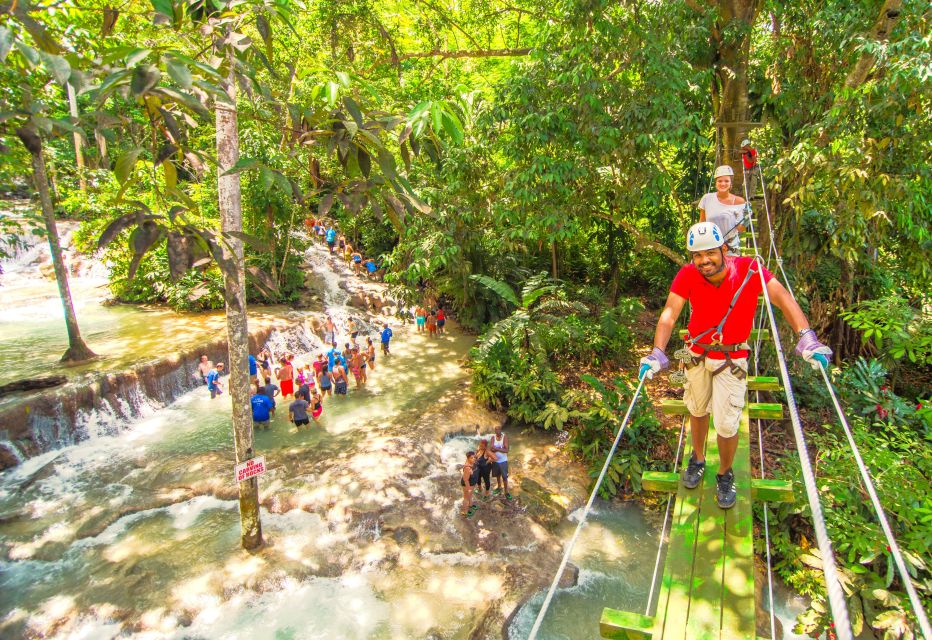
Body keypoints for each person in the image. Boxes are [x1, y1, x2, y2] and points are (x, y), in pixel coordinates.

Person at [639, 221, 832, 510]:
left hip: (731, 358)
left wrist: (807, 337)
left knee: (727, 424)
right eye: (697, 255)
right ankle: (698, 458)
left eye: (710, 253)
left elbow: (782, 298)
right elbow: (670, 313)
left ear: (724, 249)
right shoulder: (688, 275)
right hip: (697, 353)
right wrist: (657, 352)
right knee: (696, 408)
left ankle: (724, 473)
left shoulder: (750, 270)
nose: (704, 261)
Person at [699, 165, 746, 253]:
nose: (723, 184)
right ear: (716, 183)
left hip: (730, 247)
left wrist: (746, 220)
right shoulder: (707, 199)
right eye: (720, 181)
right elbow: (702, 223)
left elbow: (741, 229)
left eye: (726, 181)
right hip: (711, 246)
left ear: (731, 183)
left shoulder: (739, 201)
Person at [490, 425, 511, 500]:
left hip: (503, 461)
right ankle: (499, 487)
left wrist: (496, 448)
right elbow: (491, 449)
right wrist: (500, 448)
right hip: (495, 461)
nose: (497, 431)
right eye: (496, 430)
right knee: (497, 475)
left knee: (505, 477)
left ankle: (506, 492)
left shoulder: (504, 437)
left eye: (498, 429)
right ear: (494, 431)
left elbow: (506, 450)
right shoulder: (493, 437)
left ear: (501, 430)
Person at [460, 451, 478, 518]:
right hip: (467, 484)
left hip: (471, 482)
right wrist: (468, 489)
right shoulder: (467, 468)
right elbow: (465, 480)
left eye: (474, 457)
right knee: (466, 498)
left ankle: (470, 505)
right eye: (471, 458)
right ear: (468, 459)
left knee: (470, 495)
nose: (473, 459)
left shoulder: (471, 463)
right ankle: (465, 512)